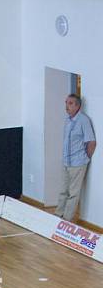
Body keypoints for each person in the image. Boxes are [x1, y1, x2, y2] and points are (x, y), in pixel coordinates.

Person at [55, 93, 96, 221]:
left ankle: (67, 219)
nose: (67, 106)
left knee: (73, 193)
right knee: (63, 190)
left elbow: (92, 142)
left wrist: (86, 159)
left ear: (78, 106)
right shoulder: (68, 120)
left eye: (70, 103)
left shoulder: (84, 120)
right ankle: (57, 215)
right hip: (67, 162)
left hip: (78, 163)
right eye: (66, 103)